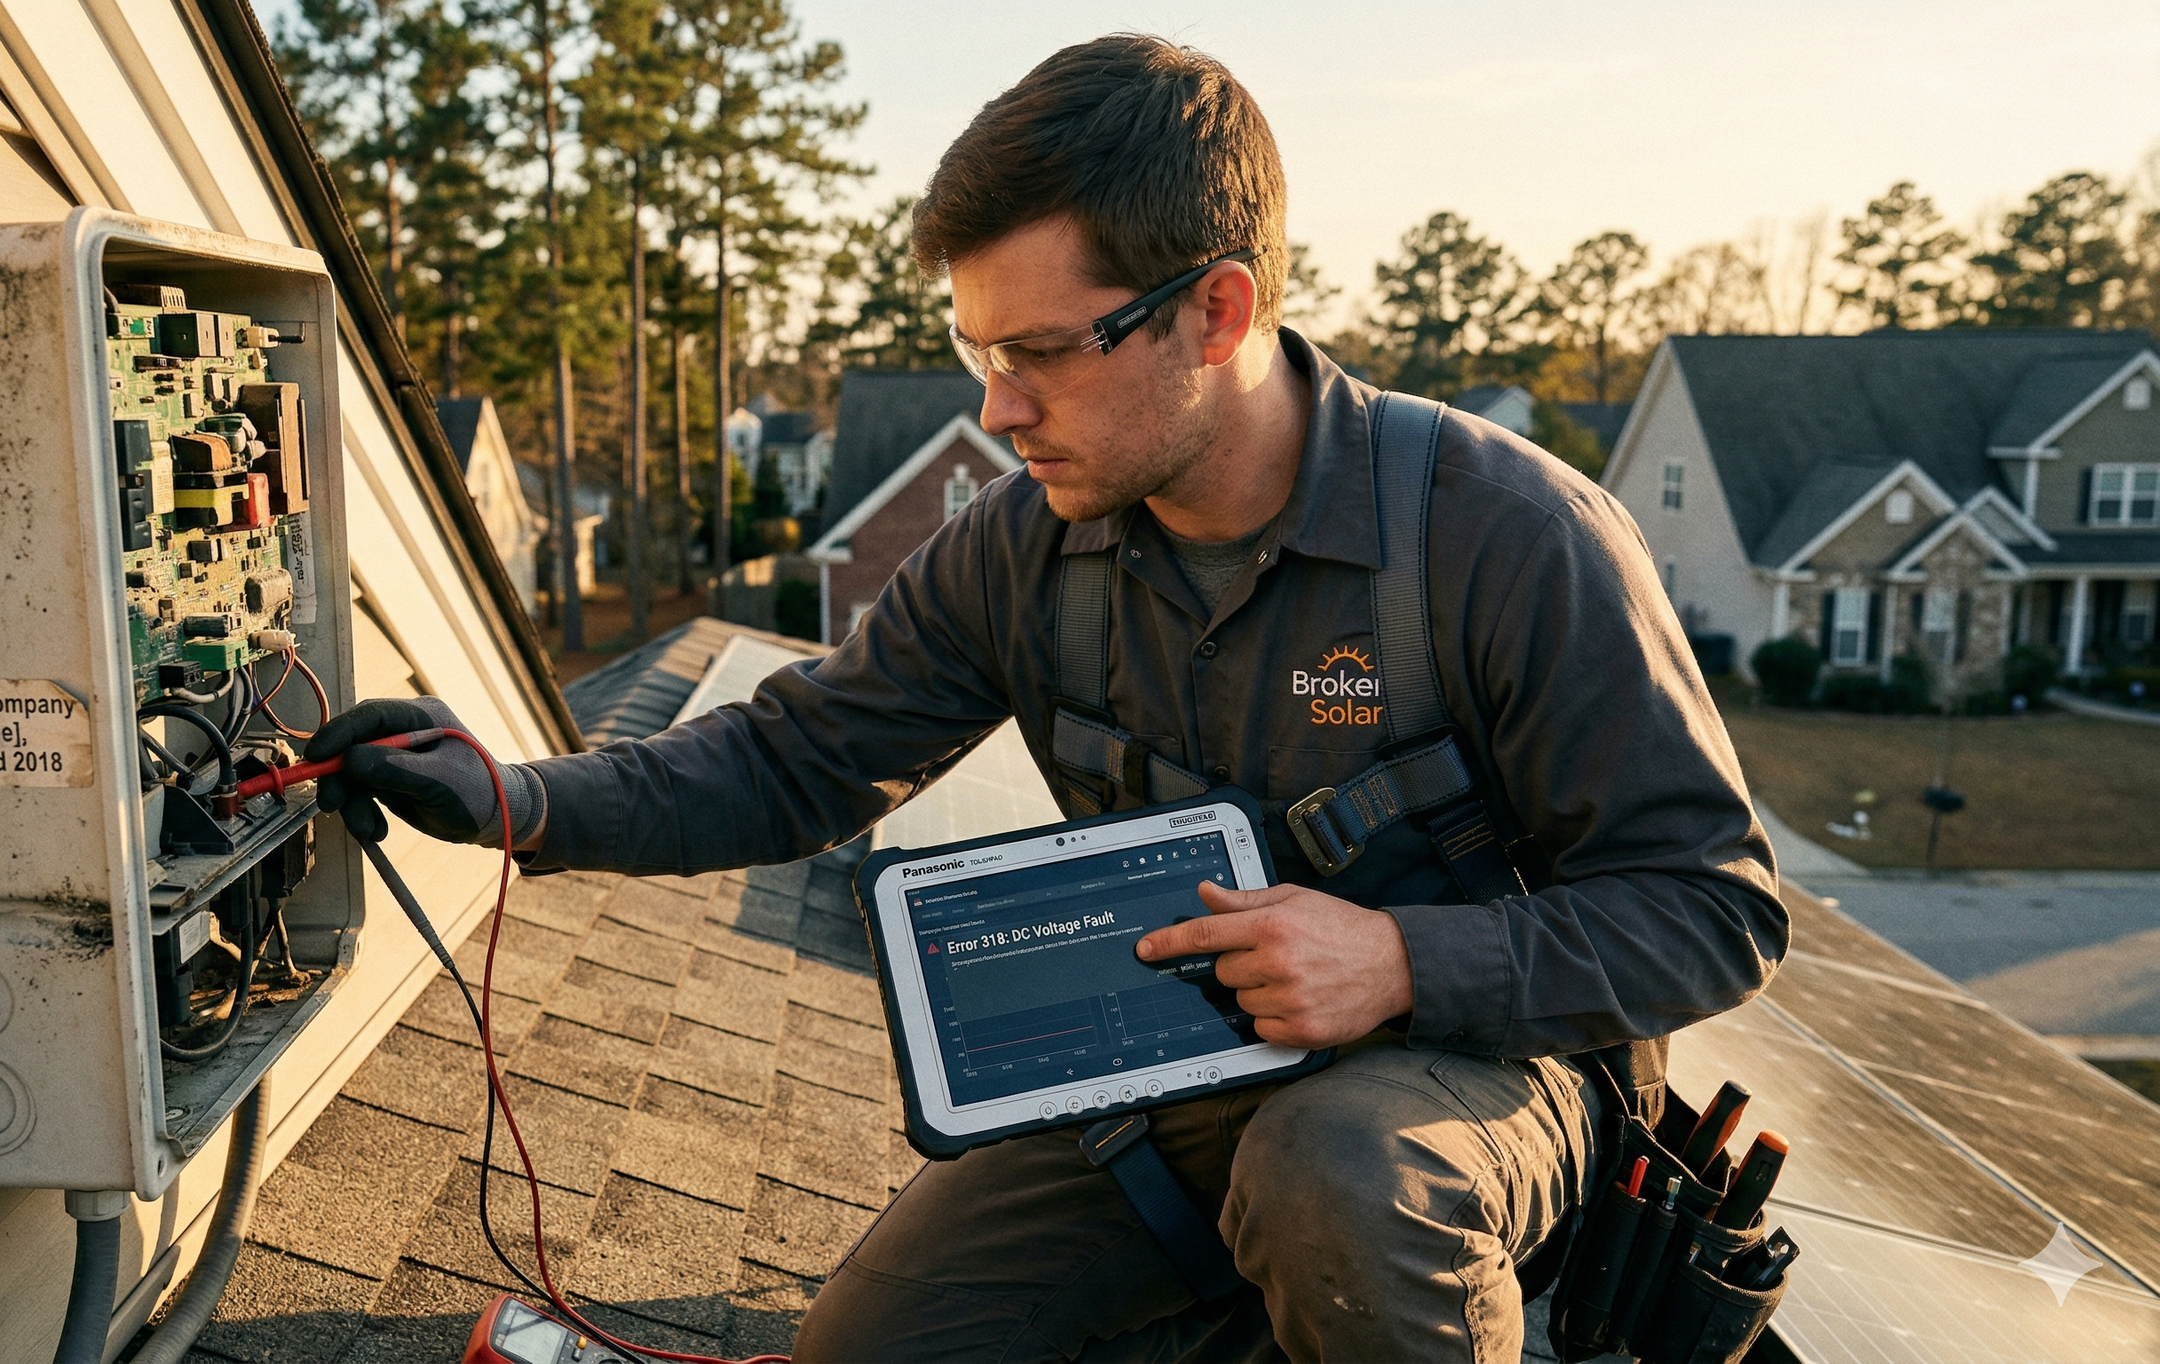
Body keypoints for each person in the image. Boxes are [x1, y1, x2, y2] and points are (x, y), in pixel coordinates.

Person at [310, 33, 1785, 1363]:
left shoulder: (1508, 538)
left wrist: (1402, 959)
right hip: (1174, 1078)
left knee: (1338, 1176)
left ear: (1215, 312)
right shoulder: (1022, 551)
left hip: (1474, 1091)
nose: (996, 409)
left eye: (1037, 354)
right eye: (977, 350)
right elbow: (800, 758)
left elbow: (1716, 909)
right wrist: (523, 799)